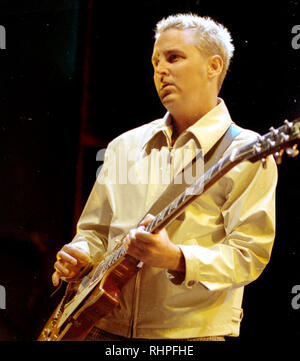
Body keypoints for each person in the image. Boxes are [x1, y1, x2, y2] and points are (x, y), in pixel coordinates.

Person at [52, 13, 278, 341]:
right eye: (156, 60)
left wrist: (176, 258)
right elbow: (96, 232)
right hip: (102, 328)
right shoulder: (123, 146)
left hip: (189, 336)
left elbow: (248, 255)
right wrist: (81, 255)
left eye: (174, 57)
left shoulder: (248, 150)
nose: (161, 70)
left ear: (214, 66)